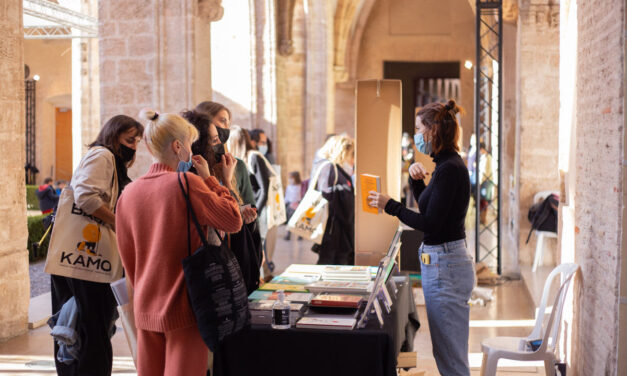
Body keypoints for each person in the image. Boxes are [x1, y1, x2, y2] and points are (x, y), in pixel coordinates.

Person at [116, 109, 242, 375]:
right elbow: (233, 220)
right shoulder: (187, 183)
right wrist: (218, 180)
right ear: (177, 146)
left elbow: (128, 260)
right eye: (188, 142)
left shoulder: (129, 194)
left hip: (145, 309)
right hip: (185, 308)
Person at [368, 99, 474, 376]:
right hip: (444, 262)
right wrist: (416, 181)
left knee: (451, 357)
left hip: (445, 265)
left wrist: (389, 204)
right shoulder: (445, 166)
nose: (415, 135)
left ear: (432, 131)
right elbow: (432, 209)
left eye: (418, 128)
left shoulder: (450, 168)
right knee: (448, 351)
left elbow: (429, 224)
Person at [50, 114, 143, 376]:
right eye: (128, 140)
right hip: (83, 253)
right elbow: (86, 197)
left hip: (85, 255)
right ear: (113, 136)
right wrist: (119, 224)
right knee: (92, 326)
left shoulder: (109, 160)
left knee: (87, 325)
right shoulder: (102, 155)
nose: (133, 146)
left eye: (136, 141)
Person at [182, 109, 261, 293]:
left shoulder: (224, 168)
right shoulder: (192, 178)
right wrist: (225, 182)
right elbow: (231, 218)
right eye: (215, 140)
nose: (221, 143)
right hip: (209, 271)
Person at [230, 126, 278, 280]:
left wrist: (256, 212)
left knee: (258, 248)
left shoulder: (254, 157)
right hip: (249, 213)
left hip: (257, 212)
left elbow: (264, 188)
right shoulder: (239, 160)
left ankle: (261, 280)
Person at [313, 134, 355, 265]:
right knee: (329, 263)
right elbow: (330, 198)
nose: (353, 158)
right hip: (334, 232)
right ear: (343, 152)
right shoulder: (330, 168)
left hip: (337, 231)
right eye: (351, 153)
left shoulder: (335, 169)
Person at [284, 171, 302, 240]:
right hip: (290, 206)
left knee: (298, 221)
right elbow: (287, 197)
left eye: (291, 178)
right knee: (289, 221)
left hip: (298, 205)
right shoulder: (289, 187)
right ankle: (288, 234)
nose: (290, 179)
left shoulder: (300, 187)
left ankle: (300, 235)